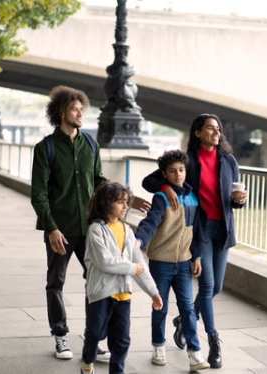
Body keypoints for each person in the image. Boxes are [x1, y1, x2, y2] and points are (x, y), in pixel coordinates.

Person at [31, 86, 150, 360]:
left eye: (82, 109)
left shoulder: (91, 145)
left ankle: (93, 338)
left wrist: (127, 198)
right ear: (61, 112)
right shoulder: (45, 148)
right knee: (55, 283)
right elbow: (38, 193)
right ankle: (60, 335)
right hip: (59, 229)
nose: (80, 114)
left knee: (97, 282)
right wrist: (51, 228)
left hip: (90, 228)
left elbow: (98, 182)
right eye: (75, 109)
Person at [142, 114, 247, 369]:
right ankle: (212, 343)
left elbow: (233, 196)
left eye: (218, 129)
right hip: (200, 231)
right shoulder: (189, 160)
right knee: (208, 287)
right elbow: (150, 180)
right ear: (198, 132)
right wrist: (166, 188)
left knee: (217, 286)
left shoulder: (229, 160)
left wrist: (240, 200)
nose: (216, 133)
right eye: (210, 129)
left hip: (223, 230)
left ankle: (183, 321)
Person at [136, 150, 210, 372]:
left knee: (187, 308)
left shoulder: (193, 197)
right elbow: (151, 221)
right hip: (161, 262)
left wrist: (196, 255)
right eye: (172, 171)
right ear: (164, 175)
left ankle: (195, 354)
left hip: (185, 263)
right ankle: (159, 346)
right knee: (160, 306)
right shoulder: (161, 197)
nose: (178, 175)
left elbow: (196, 231)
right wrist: (139, 240)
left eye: (181, 170)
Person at [81, 182, 163, 374]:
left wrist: (153, 292)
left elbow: (140, 265)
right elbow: (105, 262)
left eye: (126, 202)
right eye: (120, 202)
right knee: (94, 333)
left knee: (122, 339)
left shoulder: (127, 231)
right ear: (106, 203)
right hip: (101, 293)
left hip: (123, 295)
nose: (125, 206)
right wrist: (132, 268)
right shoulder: (96, 230)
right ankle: (87, 362)